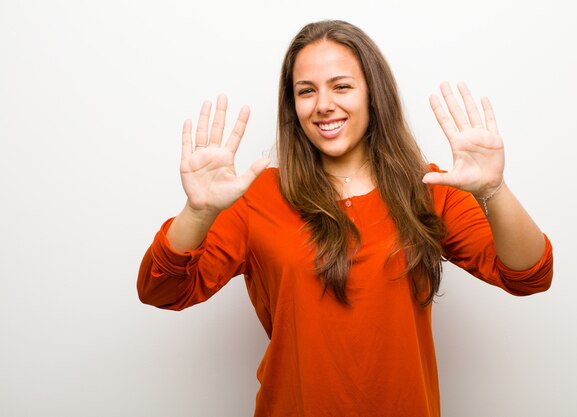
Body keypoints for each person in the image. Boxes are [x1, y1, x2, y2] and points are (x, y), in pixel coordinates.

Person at [137, 20, 552, 417]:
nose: (323, 105)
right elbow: (162, 291)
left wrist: (493, 190)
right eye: (306, 91)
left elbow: (529, 275)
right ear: (292, 105)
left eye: (341, 86)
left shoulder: (429, 188)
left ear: (373, 94)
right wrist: (198, 211)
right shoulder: (255, 197)